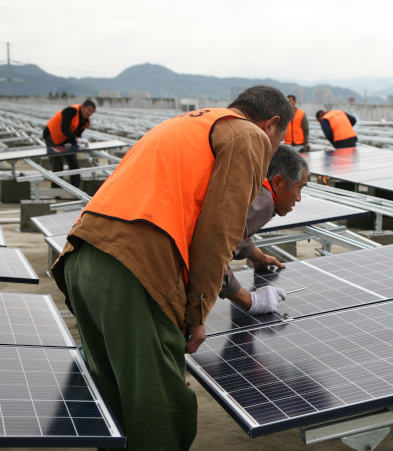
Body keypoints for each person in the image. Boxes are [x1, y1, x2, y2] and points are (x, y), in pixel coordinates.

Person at [50, 85, 293, 451]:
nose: (274, 149)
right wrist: (198, 311)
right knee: (159, 410)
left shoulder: (190, 123)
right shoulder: (249, 135)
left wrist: (252, 256)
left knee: (115, 401)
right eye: (280, 138)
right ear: (272, 124)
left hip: (82, 255)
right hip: (134, 269)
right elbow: (218, 231)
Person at [220, 145, 309, 308]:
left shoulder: (253, 186)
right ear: (277, 182)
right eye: (299, 188)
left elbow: (235, 231)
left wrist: (257, 256)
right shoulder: (264, 202)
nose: (299, 198)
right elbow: (211, 256)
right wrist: (248, 300)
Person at [43, 99, 96, 188]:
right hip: (52, 134)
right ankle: (56, 189)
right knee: (58, 162)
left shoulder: (86, 121)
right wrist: (76, 139)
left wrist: (76, 144)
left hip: (65, 139)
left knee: (73, 162)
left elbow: (77, 133)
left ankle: (76, 187)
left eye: (92, 112)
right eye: (89, 110)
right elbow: (64, 127)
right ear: (83, 107)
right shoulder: (71, 111)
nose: (90, 113)